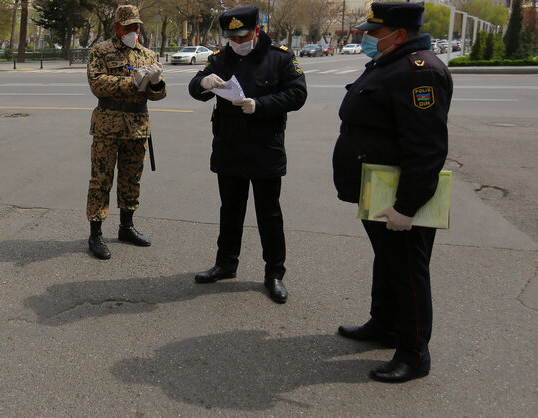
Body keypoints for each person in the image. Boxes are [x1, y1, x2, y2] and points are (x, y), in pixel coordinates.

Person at [332, 2, 452, 383]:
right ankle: (383, 324)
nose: (368, 38)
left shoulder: (420, 72)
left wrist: (407, 206)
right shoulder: (392, 62)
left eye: (374, 32)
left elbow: (426, 147)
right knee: (387, 261)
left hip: (398, 194)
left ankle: (414, 353)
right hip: (377, 186)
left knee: (407, 271)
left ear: (399, 34)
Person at [188, 6, 307, 304]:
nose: (237, 42)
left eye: (242, 36)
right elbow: (195, 87)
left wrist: (261, 104)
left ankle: (274, 273)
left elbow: (297, 94)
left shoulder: (279, 58)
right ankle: (226, 263)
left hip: (265, 148)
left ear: (256, 31)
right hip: (229, 148)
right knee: (230, 210)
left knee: (269, 214)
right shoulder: (220, 59)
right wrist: (203, 83)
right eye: (231, 37)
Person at [86, 4, 166, 260]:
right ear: (117, 27)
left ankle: (126, 227)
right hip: (108, 126)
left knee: (131, 178)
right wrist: (129, 82)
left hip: (137, 126)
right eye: (128, 26)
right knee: (101, 179)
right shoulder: (101, 51)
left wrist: (156, 82)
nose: (134, 31)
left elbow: (159, 95)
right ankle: (95, 233)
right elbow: (97, 83)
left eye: (136, 27)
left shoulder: (147, 54)